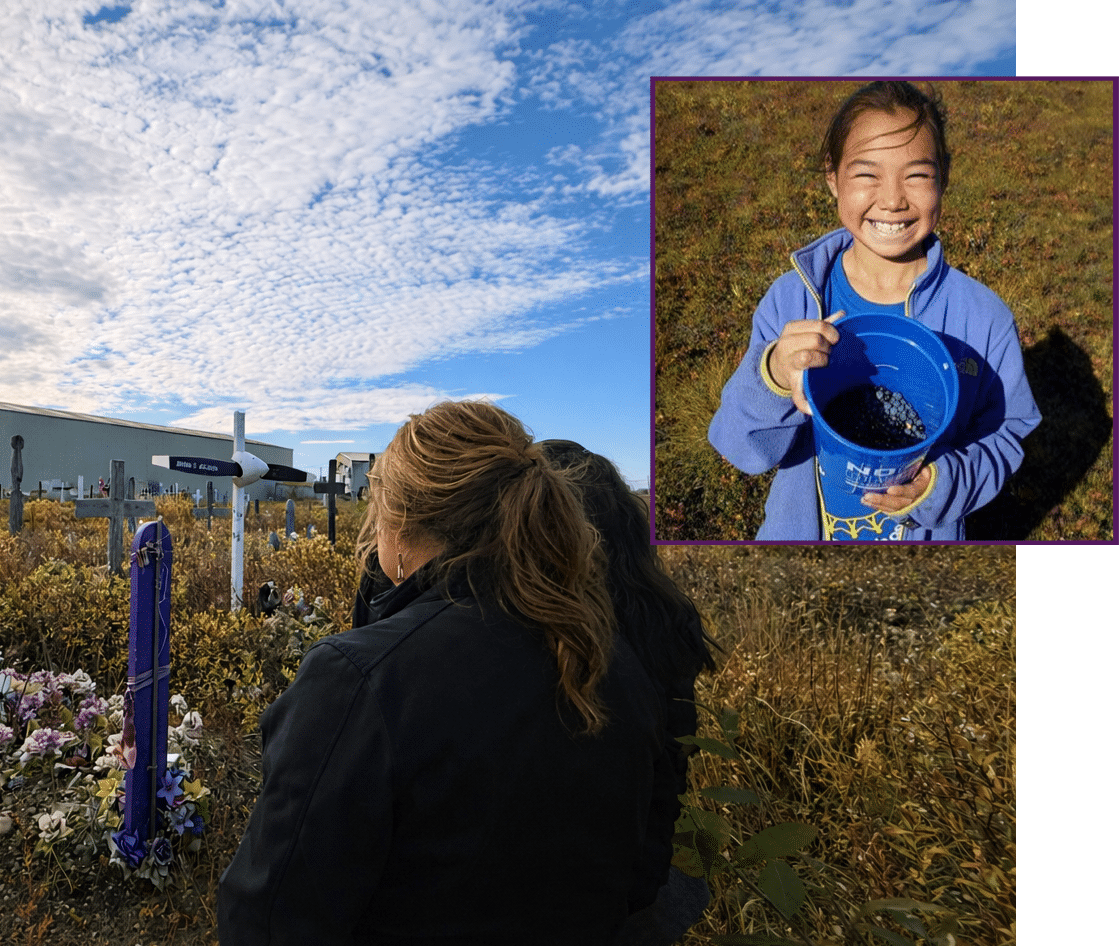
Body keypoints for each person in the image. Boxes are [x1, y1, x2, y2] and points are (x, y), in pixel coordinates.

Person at [217, 401, 670, 944]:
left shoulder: (359, 681)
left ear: (400, 522)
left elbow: (266, 921)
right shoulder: (606, 657)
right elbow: (642, 876)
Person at [707, 80, 1041, 540]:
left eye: (917, 175)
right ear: (833, 180)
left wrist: (941, 485)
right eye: (867, 174)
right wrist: (775, 375)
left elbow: (1006, 433)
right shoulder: (793, 302)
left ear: (943, 177)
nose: (892, 199)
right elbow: (740, 448)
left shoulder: (983, 320)